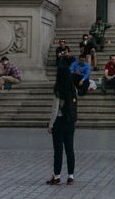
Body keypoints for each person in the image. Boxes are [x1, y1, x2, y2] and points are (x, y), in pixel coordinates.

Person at [46, 57, 78, 186]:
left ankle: (57, 176)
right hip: (70, 122)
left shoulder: (58, 89)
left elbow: (55, 109)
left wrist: (50, 124)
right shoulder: (73, 89)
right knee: (70, 150)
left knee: (58, 151)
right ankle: (71, 176)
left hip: (59, 121)